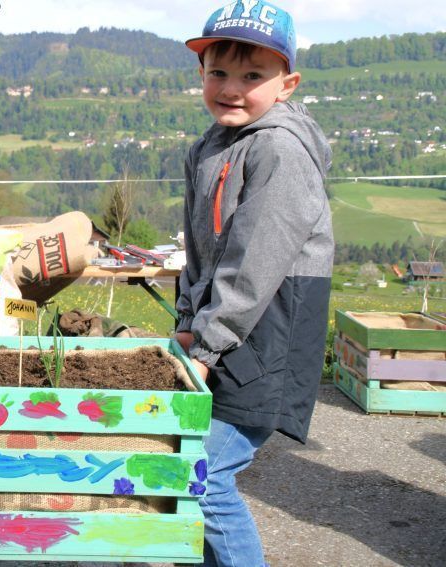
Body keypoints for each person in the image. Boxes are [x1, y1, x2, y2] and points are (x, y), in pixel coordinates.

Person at [174, 2, 334, 566]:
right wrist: (189, 324)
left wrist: (211, 340)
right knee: (192, 472)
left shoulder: (279, 149)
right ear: (201, 73)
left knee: (207, 475)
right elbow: (203, 253)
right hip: (225, 334)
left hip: (265, 337)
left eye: (253, 76)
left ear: (286, 84)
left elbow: (254, 263)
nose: (232, 88)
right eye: (219, 72)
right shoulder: (214, 144)